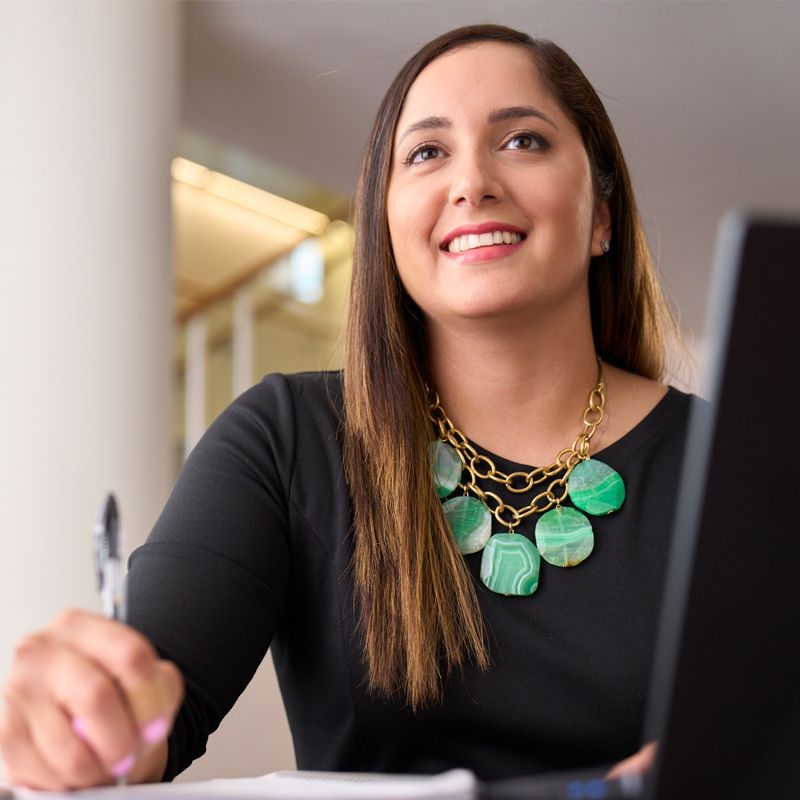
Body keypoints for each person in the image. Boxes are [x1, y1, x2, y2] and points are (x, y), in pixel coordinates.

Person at [0, 24, 689, 790]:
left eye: (523, 141)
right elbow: (152, 711)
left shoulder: (737, 463)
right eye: (426, 153)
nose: (473, 183)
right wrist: (91, 723)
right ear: (384, 225)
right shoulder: (287, 438)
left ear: (601, 214)